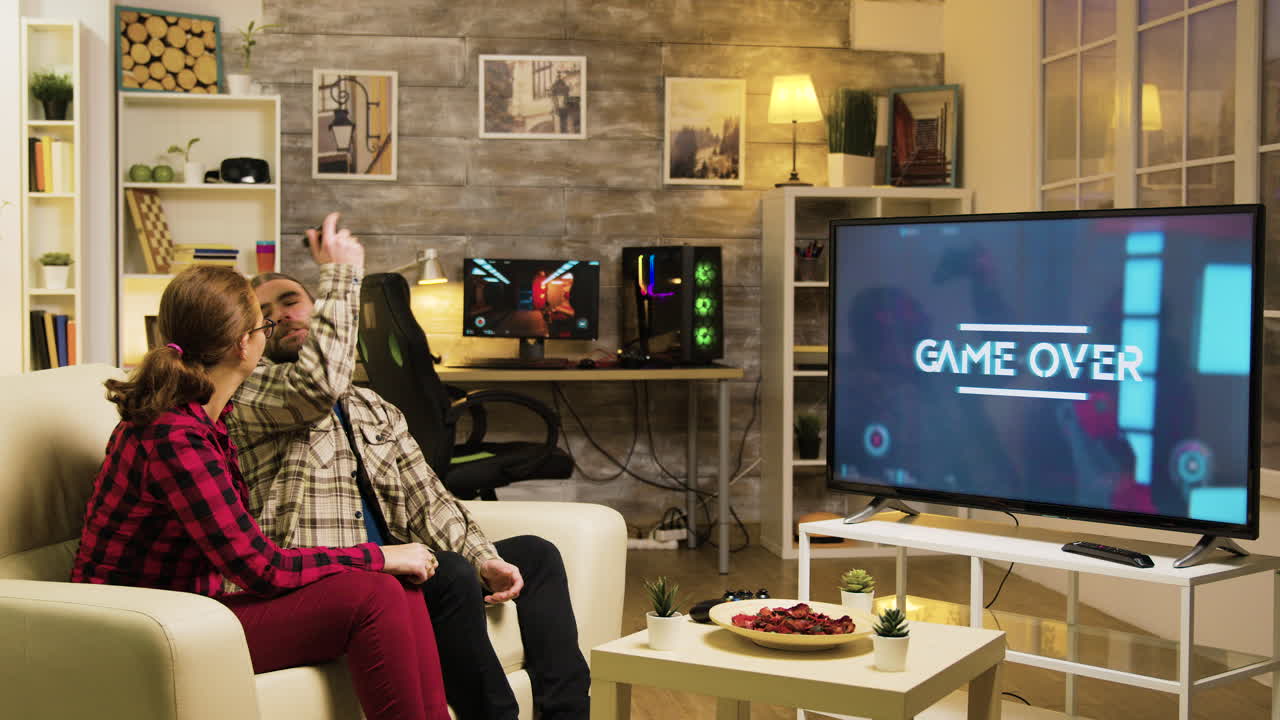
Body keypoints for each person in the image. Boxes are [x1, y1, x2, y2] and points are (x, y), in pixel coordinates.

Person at [228, 213, 590, 720]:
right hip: (337, 576)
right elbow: (315, 388)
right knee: (449, 576)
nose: (282, 315)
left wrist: (485, 556)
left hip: (402, 558)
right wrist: (342, 275)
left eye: (291, 301)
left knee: (535, 555)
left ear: (315, 307)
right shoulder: (250, 394)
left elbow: (426, 496)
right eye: (265, 313)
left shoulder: (374, 407)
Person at [71, 263, 451, 720]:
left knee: (398, 589)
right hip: (142, 626)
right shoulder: (174, 435)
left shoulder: (204, 420)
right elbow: (261, 568)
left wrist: (384, 565)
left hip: (190, 610)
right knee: (377, 592)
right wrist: (380, 555)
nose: (268, 334)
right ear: (244, 345)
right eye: (263, 325)